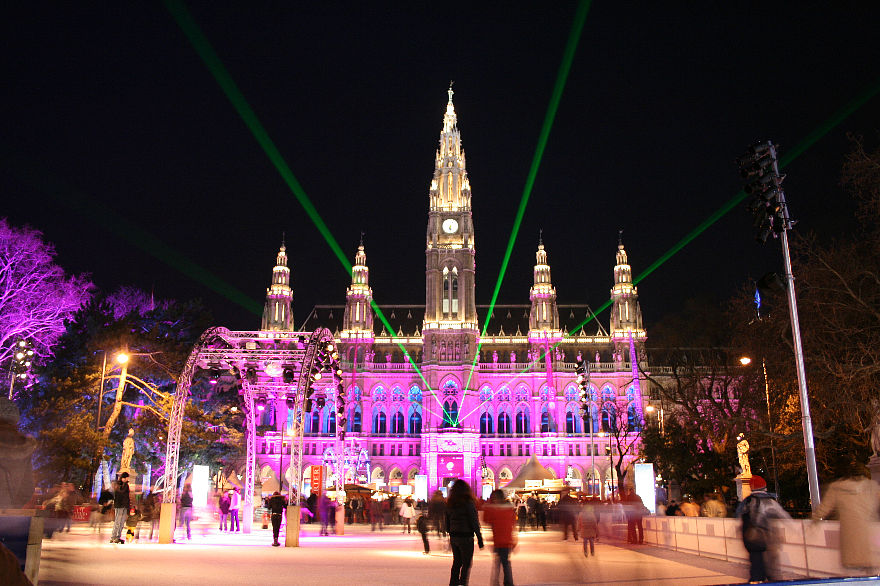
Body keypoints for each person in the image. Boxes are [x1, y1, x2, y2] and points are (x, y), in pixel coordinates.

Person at [813, 460, 880, 573]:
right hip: (870, 542)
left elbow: (824, 508)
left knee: (853, 573)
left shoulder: (837, 488)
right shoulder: (872, 487)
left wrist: (814, 519)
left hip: (850, 543)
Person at [736, 475, 790, 583]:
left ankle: (757, 580)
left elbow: (738, 516)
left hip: (750, 540)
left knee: (756, 564)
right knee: (769, 568)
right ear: (764, 487)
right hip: (765, 539)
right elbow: (784, 516)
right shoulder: (768, 501)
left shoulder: (747, 501)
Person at [444, 480, 484, 586]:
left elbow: (447, 520)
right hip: (466, 536)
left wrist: (450, 531)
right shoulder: (468, 502)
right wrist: (479, 538)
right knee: (466, 563)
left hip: (454, 536)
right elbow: (474, 520)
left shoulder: (450, 502)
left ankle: (453, 583)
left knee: (457, 562)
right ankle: (463, 583)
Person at [482, 489, 516, 586]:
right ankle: (507, 582)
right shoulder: (509, 509)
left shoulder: (493, 510)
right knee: (505, 563)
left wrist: (488, 503)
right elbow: (513, 523)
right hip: (506, 540)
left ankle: (497, 582)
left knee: (499, 563)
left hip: (499, 540)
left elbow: (486, 519)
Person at [110, 473, 130, 544]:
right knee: (118, 521)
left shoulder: (125, 485)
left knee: (121, 522)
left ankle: (117, 536)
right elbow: (121, 492)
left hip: (124, 505)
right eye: (127, 478)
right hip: (119, 505)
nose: (128, 479)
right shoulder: (119, 485)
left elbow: (127, 496)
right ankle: (114, 536)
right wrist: (124, 483)